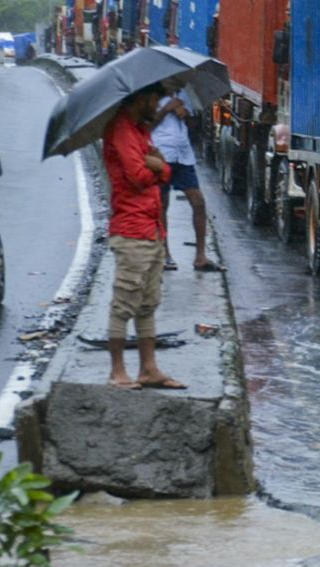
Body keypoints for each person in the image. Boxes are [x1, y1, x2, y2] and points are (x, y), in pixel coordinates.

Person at [102, 83, 186, 390]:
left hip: (152, 228)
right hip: (132, 229)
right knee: (124, 302)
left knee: (148, 303)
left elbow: (164, 171)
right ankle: (117, 372)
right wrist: (157, 166)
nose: (158, 104)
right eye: (155, 99)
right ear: (141, 98)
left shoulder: (141, 130)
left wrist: (158, 165)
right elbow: (139, 177)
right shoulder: (122, 130)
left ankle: (148, 369)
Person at [153, 82, 220, 272]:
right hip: (160, 153)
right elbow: (144, 125)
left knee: (198, 203)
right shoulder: (149, 94)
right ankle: (165, 254)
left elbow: (192, 125)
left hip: (183, 154)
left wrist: (187, 115)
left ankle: (200, 256)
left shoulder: (183, 93)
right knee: (161, 204)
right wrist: (166, 109)